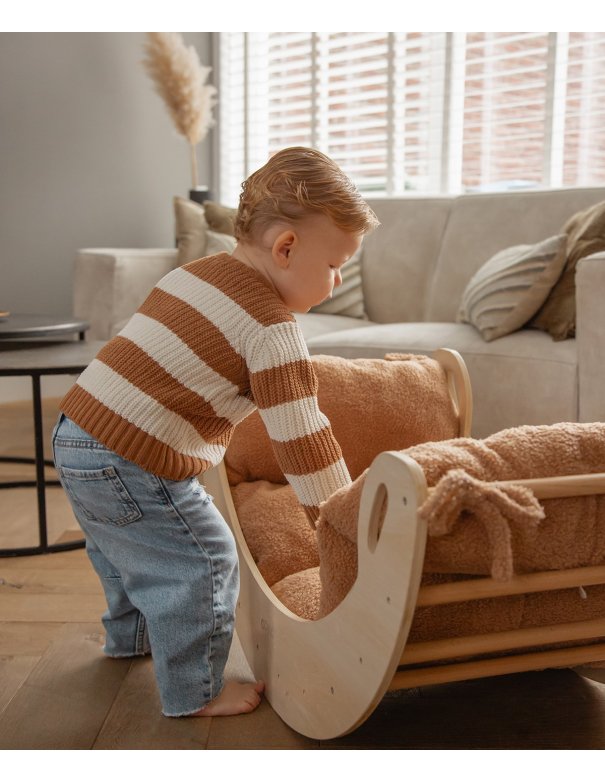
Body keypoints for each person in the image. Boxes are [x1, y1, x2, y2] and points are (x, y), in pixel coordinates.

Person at [52, 146, 380, 718]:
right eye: (335, 265)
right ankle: (195, 690)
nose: (337, 280)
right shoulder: (271, 328)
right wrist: (339, 520)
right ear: (285, 248)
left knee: (124, 549)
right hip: (134, 459)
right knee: (203, 560)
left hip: (76, 431)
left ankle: (129, 638)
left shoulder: (193, 274)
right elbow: (302, 437)